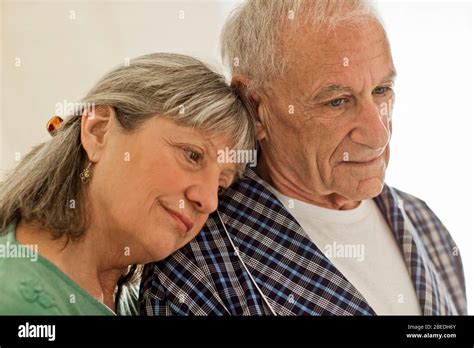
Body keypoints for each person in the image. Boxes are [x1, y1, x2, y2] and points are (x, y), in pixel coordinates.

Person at [140, 0, 467, 315]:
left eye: (381, 91)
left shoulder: (424, 224)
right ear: (255, 107)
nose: (378, 134)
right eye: (337, 102)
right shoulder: (197, 275)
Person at [0, 53, 255, 315]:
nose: (209, 201)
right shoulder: (14, 300)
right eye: (193, 155)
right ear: (98, 131)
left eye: (221, 186)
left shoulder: (138, 301)